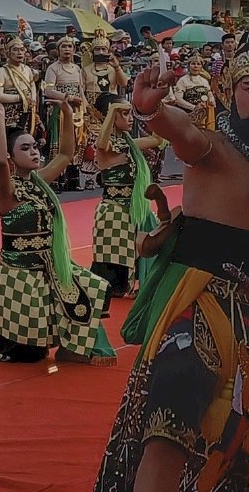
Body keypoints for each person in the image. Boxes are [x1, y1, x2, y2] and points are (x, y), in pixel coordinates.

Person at [83, 26, 249, 492]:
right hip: (198, 309)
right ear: (230, 92)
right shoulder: (214, 148)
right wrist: (152, 110)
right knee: (166, 431)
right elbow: (182, 132)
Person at [0, 103, 115, 366]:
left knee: (96, 288)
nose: (34, 151)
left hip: (49, 266)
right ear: (12, 157)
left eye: (35, 146)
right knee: (27, 354)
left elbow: (67, 154)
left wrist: (68, 113)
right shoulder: (7, 192)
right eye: (24, 148)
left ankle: (72, 349)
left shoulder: (40, 182)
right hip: (18, 273)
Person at [89, 94, 163, 303]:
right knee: (112, 266)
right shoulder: (105, 146)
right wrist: (113, 111)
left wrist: (156, 110)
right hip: (113, 211)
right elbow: (103, 144)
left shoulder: (128, 144)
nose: (130, 118)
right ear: (111, 116)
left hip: (133, 209)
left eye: (131, 114)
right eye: (125, 114)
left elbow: (157, 139)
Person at [79, 31, 129, 189]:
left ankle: (110, 173)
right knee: (93, 142)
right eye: (97, 49)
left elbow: (124, 84)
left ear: (108, 51)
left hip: (111, 110)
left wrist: (117, 66)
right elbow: (81, 88)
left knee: (113, 142)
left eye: (103, 49)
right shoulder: (86, 70)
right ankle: (90, 177)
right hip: (93, 110)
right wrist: (86, 105)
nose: (100, 52)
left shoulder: (114, 69)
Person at [42, 36, 86, 191]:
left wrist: (84, 106)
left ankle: (73, 180)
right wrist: (68, 98)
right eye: (64, 46)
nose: (67, 49)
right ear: (58, 50)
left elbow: (81, 88)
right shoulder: (53, 68)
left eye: (70, 46)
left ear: (74, 50)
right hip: (59, 110)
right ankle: (56, 180)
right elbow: (48, 90)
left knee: (75, 142)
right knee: (60, 142)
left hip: (76, 110)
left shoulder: (77, 69)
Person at [0, 37, 38, 133]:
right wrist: (20, 98)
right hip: (10, 113)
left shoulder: (27, 69)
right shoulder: (2, 71)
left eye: (22, 49)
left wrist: (33, 99)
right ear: (8, 53)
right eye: (15, 50)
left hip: (28, 109)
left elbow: (32, 85)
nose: (19, 52)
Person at [170, 55, 215, 129]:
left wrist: (211, 100)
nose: (196, 66)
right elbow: (178, 99)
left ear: (201, 67)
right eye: (193, 64)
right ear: (189, 66)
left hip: (204, 115)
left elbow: (209, 94)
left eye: (198, 64)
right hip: (187, 114)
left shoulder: (204, 81)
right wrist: (194, 107)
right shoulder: (183, 80)